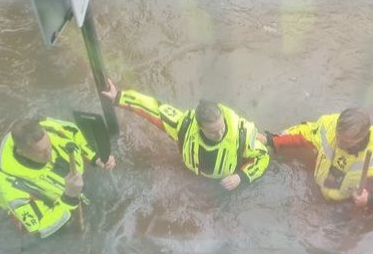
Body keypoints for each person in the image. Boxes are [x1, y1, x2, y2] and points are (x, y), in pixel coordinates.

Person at [100, 80, 269, 190]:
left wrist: (241, 177)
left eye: (221, 128)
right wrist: (119, 97)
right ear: (200, 128)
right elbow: (153, 109)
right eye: (213, 131)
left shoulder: (241, 134)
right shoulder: (184, 125)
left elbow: (263, 157)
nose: (220, 134)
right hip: (193, 176)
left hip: (225, 184)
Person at [263, 108, 373, 212]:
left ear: (361, 138)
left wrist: (371, 199)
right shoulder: (329, 124)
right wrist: (272, 140)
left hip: (346, 202)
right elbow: (305, 132)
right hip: (319, 183)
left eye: (345, 142)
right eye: (337, 137)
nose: (338, 143)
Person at [0, 117, 115, 238]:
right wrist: (69, 197)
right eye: (41, 152)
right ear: (21, 152)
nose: (50, 154)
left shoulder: (50, 127)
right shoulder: (11, 187)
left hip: (67, 188)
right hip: (39, 208)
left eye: (49, 146)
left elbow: (74, 133)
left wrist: (95, 156)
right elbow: (40, 229)